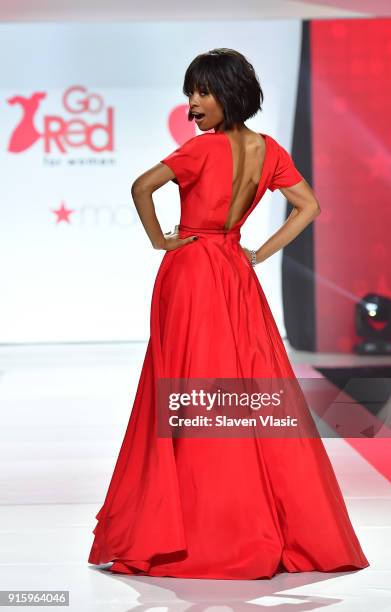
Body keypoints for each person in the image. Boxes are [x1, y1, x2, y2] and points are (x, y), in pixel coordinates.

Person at [88, 48, 370, 579]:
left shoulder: (201, 151)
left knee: (187, 390)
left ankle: (199, 524)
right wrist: (260, 253)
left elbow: (140, 187)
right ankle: (264, 518)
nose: (193, 104)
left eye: (203, 92)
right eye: (190, 92)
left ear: (230, 93)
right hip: (237, 273)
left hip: (192, 270)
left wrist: (160, 242)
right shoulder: (269, 151)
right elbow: (307, 205)